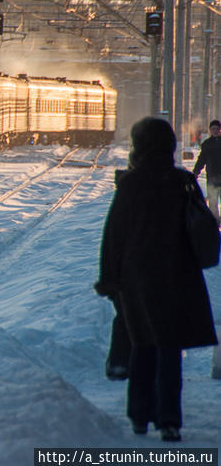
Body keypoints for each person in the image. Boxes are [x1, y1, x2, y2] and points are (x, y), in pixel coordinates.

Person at [96, 117, 217, 442]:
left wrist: (109, 279)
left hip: (137, 281)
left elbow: (114, 237)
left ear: (138, 146)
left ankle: (139, 416)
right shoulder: (182, 182)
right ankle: (169, 421)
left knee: (142, 347)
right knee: (168, 352)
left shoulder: (130, 185)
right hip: (178, 279)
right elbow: (203, 231)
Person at [193, 119, 221, 219]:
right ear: (210, 130)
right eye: (213, 129)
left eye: (217, 129)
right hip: (212, 177)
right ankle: (215, 221)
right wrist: (195, 172)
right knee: (213, 202)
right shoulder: (207, 144)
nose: (215, 131)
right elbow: (201, 160)